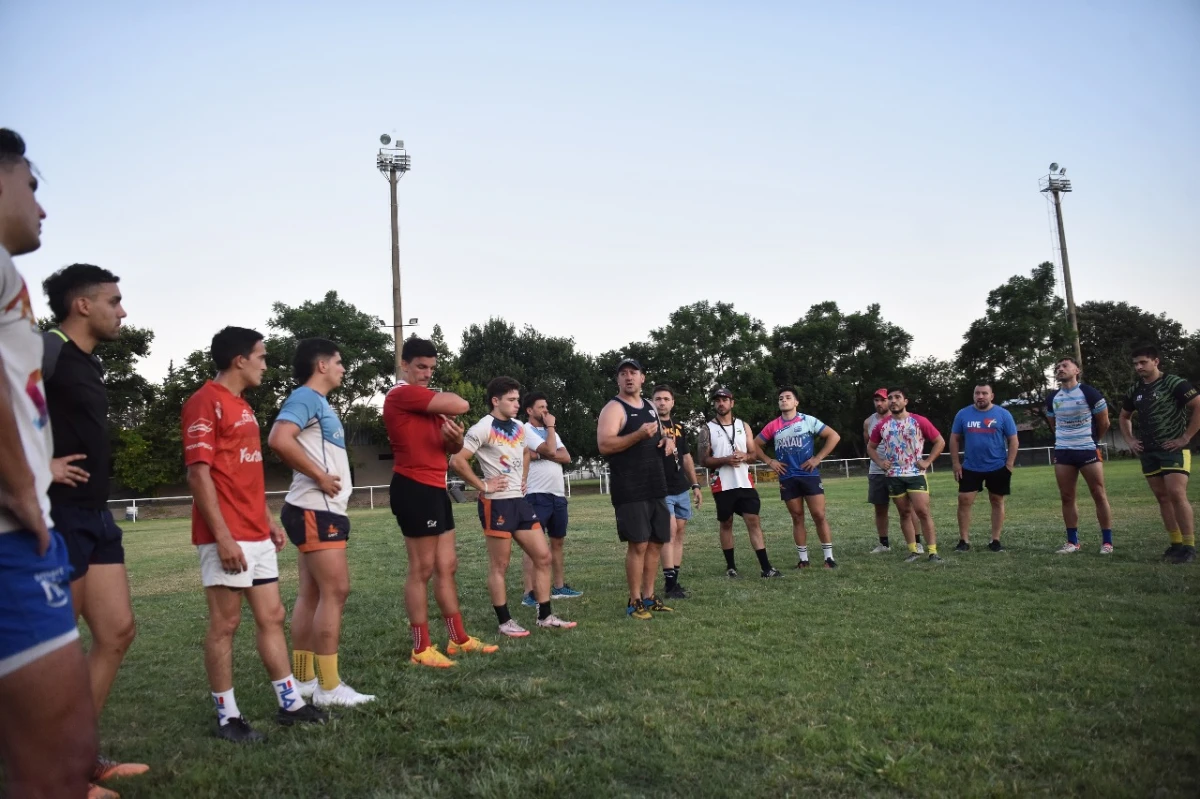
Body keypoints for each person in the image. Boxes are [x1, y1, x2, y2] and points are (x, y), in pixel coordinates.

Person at [0, 127, 97, 798]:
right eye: (31, 186)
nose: (41, 207)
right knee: (59, 762)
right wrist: (22, 485)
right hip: (12, 534)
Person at [182, 326, 328, 743]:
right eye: (261, 356)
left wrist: (266, 519)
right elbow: (198, 474)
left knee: (272, 617)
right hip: (225, 536)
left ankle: (290, 703)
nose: (266, 363)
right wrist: (223, 537)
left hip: (255, 533)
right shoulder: (204, 403)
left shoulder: (242, 406)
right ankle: (227, 717)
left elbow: (244, 472)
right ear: (239, 359)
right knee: (225, 624)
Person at [41, 264, 148, 785]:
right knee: (57, 653)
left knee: (117, 631)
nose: (122, 310)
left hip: (95, 514)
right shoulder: (47, 351)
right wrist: (44, 467)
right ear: (82, 304)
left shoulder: (91, 363)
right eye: (114, 300)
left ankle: (78, 755)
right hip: (56, 515)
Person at [267, 338, 374, 706]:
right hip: (316, 509)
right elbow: (279, 439)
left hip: (316, 509)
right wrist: (320, 476)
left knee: (313, 594)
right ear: (322, 365)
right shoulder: (306, 398)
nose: (344, 368)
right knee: (335, 591)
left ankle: (305, 681)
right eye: (340, 361)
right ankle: (329, 688)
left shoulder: (319, 403)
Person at [383, 337, 497, 668]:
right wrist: (453, 410)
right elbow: (461, 404)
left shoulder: (426, 407)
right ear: (404, 365)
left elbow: (447, 447)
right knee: (421, 569)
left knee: (447, 566)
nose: (427, 374)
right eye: (421, 367)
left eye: (432, 368)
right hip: (413, 488)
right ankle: (420, 648)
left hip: (435, 488)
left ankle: (457, 639)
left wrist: (456, 440)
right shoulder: (402, 394)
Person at [451, 377, 577, 636]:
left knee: (543, 556)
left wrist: (522, 478)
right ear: (495, 401)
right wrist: (483, 486)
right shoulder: (482, 428)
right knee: (501, 565)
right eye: (511, 399)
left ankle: (544, 616)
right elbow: (457, 461)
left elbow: (526, 454)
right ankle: (505, 621)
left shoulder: (520, 427)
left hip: (520, 502)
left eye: (518, 399)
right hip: (496, 504)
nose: (517, 404)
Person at [597, 359, 675, 619]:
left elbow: (659, 435)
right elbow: (605, 445)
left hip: (656, 483)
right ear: (618, 380)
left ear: (642, 378)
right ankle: (634, 601)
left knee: (656, 542)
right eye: (623, 373)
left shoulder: (651, 406)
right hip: (630, 487)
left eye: (634, 372)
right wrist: (638, 435)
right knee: (638, 544)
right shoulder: (613, 409)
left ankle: (650, 596)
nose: (629, 377)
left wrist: (667, 441)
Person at [1119, 345, 1199, 564]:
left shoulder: (1173, 383)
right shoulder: (1135, 389)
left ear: (1156, 361)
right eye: (1135, 363)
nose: (1138, 367)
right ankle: (1175, 544)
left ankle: (1189, 547)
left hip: (1173, 450)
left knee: (1176, 493)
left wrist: (1185, 437)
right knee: (1162, 497)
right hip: (1149, 452)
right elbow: (1124, 417)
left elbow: (1198, 405)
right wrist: (1131, 440)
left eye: (1143, 362)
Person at [698, 387, 782, 579]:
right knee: (726, 523)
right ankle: (731, 566)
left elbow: (753, 455)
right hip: (722, 484)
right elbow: (703, 460)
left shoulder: (743, 426)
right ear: (714, 404)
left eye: (725, 400)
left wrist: (745, 456)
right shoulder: (707, 429)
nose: (721, 403)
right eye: (717, 400)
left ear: (732, 403)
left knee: (753, 520)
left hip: (744, 482)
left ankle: (766, 567)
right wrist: (725, 460)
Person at [757, 386, 841, 569]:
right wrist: (769, 461)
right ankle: (803, 560)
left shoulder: (807, 420)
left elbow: (833, 436)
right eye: (780, 398)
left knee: (819, 515)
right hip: (787, 477)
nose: (784, 400)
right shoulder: (773, 425)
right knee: (797, 517)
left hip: (809, 475)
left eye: (788, 397)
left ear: (796, 402)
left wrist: (818, 458)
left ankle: (829, 558)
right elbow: (755, 445)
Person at [518, 391, 582, 608]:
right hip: (536, 494)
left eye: (547, 407)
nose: (546, 411)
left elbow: (565, 456)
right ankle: (529, 592)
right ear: (529, 411)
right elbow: (551, 450)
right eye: (541, 407)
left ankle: (559, 586)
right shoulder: (525, 429)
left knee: (557, 541)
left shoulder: (548, 431)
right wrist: (550, 438)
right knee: (533, 545)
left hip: (557, 494)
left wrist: (542, 452)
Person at [1045, 357, 1114, 554]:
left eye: (1064, 366)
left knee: (1098, 494)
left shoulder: (1089, 393)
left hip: (1087, 449)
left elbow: (1105, 423)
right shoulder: (1052, 398)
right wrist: (1065, 439)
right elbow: (1053, 424)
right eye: (1057, 367)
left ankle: (1107, 542)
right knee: (1067, 497)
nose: (1060, 369)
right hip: (1063, 451)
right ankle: (1072, 542)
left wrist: (1091, 440)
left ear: (1077, 370)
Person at [868, 388, 945, 563]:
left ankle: (933, 552)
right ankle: (913, 551)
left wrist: (927, 461)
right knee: (904, 513)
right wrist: (880, 463)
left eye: (897, 397)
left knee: (923, 512)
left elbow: (939, 441)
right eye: (890, 398)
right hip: (894, 475)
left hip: (915, 473)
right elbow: (870, 447)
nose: (893, 401)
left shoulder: (919, 421)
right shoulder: (882, 425)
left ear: (905, 401)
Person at [949, 384, 1018, 553]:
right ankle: (964, 540)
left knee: (997, 500)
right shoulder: (963, 414)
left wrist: (1009, 465)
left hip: (997, 466)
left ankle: (995, 540)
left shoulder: (1003, 414)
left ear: (991, 396)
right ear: (973, 395)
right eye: (977, 393)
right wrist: (956, 463)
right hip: (971, 466)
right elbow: (954, 439)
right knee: (964, 500)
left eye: (984, 393)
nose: (980, 396)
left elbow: (1013, 440)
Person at [651, 385, 702, 600]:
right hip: (661, 488)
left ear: (672, 402)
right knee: (669, 533)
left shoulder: (680, 427)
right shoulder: (648, 427)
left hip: (680, 487)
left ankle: (674, 579)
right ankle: (670, 584)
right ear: (652, 402)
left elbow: (687, 457)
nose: (662, 402)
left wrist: (695, 485)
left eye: (666, 399)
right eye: (658, 399)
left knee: (679, 533)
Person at [864, 388, 919, 554]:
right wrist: (880, 462)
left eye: (882, 400)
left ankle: (918, 542)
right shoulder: (869, 422)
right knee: (880, 508)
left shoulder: (902, 418)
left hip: (901, 470)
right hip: (877, 470)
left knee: (908, 509)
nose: (879, 403)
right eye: (876, 400)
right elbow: (869, 446)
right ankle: (884, 544)